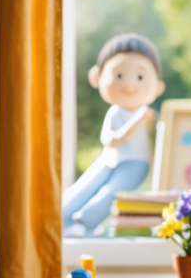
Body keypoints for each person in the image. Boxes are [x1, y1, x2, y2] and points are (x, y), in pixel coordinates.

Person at [63, 33, 165, 237]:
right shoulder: (119, 113)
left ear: (158, 87)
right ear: (97, 78)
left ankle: (85, 221)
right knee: (89, 183)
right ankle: (63, 216)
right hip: (112, 158)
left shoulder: (149, 116)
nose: (130, 86)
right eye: (119, 76)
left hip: (136, 162)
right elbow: (110, 140)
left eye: (140, 77)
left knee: (113, 192)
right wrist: (137, 121)